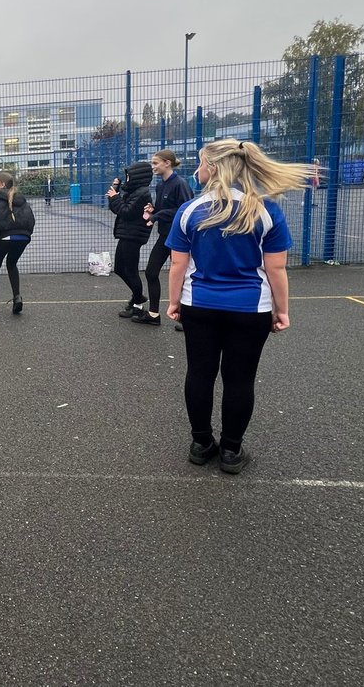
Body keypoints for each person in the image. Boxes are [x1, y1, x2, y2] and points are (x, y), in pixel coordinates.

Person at [165, 139, 312, 474]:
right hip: (250, 309)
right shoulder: (266, 210)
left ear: (214, 168)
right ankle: (231, 450)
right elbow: (276, 268)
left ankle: (201, 443)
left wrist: (174, 302)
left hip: (199, 305)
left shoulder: (190, 211)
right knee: (240, 380)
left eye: (201, 163)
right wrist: (282, 309)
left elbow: (177, 265)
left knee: (200, 374)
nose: (197, 170)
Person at [134, 150, 194, 327]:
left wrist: (157, 215)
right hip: (165, 235)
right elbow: (163, 208)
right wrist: (152, 210)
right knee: (151, 271)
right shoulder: (161, 185)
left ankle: (187, 317)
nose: (153, 167)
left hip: (180, 238)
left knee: (185, 276)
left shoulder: (180, 184)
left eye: (155, 163)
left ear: (167, 163)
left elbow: (186, 210)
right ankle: (153, 314)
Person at [0, 170, 35, 316]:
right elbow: (31, 220)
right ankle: (17, 298)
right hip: (23, 237)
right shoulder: (22, 199)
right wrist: (26, 234)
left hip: (4, 237)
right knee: (11, 264)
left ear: (2, 184)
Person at [106, 160, 154, 320]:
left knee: (131, 271)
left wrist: (115, 197)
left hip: (133, 236)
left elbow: (126, 212)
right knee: (120, 268)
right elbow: (116, 209)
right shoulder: (135, 192)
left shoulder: (142, 193)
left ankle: (138, 305)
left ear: (137, 177)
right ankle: (138, 296)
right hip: (127, 235)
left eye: (128, 177)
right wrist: (115, 191)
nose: (127, 180)